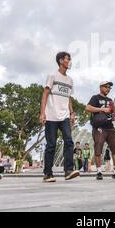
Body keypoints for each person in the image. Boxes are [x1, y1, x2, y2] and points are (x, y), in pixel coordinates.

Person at [39, 51, 79, 183]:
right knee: (51, 145)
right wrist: (42, 113)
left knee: (69, 141)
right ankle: (48, 174)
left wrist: (72, 113)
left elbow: (69, 98)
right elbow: (45, 94)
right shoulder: (52, 76)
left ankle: (68, 170)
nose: (70, 61)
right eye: (68, 59)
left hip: (65, 116)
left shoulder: (70, 80)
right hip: (51, 115)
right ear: (61, 61)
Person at [86, 81, 115, 180]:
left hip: (110, 126)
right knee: (98, 148)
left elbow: (114, 114)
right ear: (100, 87)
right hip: (99, 126)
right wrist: (102, 110)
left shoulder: (110, 100)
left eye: (109, 87)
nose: (108, 89)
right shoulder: (95, 98)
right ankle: (99, 171)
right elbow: (88, 107)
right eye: (106, 87)